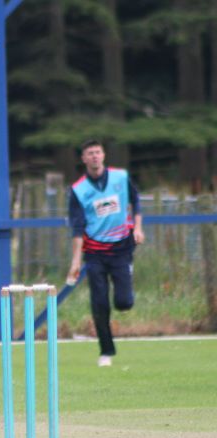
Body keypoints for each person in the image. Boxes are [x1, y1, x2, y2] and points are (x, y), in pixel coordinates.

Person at [66, 140, 144, 367]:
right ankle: (106, 351)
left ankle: (127, 274)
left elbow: (136, 200)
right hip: (95, 252)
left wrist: (138, 228)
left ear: (104, 155)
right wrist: (75, 262)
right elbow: (77, 228)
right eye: (90, 153)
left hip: (121, 248)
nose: (94, 156)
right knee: (99, 303)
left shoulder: (120, 177)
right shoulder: (78, 190)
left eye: (98, 152)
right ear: (84, 158)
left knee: (124, 303)